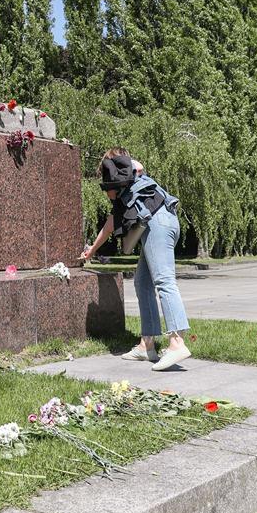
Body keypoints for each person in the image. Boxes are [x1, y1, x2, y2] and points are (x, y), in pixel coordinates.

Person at [80, 148, 192, 370]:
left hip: (157, 224)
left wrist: (121, 163)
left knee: (164, 281)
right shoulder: (129, 188)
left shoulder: (131, 175)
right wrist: (92, 250)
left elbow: (137, 165)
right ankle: (146, 345)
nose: (106, 189)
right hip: (161, 223)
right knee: (142, 282)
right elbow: (111, 223)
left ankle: (177, 343)